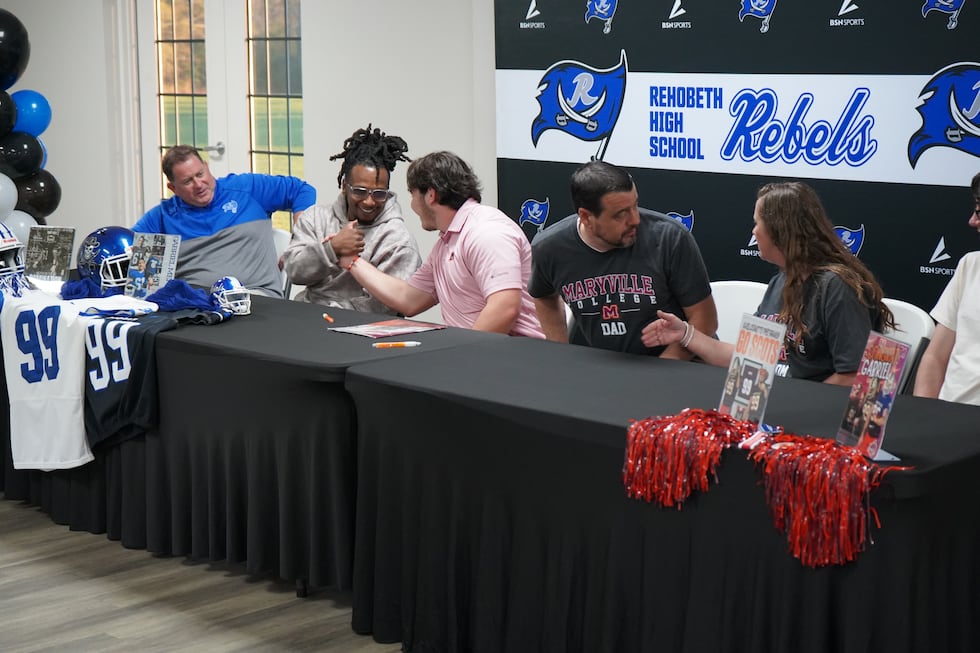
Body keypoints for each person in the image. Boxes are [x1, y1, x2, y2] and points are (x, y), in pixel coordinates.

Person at [642, 181, 894, 386]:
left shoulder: (836, 287)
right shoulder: (781, 282)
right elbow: (749, 358)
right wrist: (685, 334)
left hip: (819, 423)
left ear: (779, 230)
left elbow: (854, 377)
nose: (753, 232)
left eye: (757, 222)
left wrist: (795, 406)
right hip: (779, 409)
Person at [340, 151, 543, 337]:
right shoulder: (447, 242)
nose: (412, 205)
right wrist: (352, 261)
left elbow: (504, 308)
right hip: (478, 355)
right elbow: (410, 299)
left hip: (512, 362)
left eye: (412, 195)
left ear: (430, 195)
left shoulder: (486, 232)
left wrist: (459, 357)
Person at [528, 160, 716, 358]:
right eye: (620, 215)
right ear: (586, 217)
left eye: (635, 205)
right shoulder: (549, 248)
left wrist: (661, 373)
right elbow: (543, 296)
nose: (635, 219)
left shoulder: (670, 238)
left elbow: (706, 321)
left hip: (680, 365)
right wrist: (560, 351)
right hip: (609, 370)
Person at [132, 145, 315, 297]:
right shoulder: (163, 216)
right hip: (194, 305)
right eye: (188, 181)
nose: (198, 184)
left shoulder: (247, 189)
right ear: (173, 188)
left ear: (206, 166)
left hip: (255, 298)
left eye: (200, 174)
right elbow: (125, 245)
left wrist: (299, 239)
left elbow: (301, 190)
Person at [281, 125, 421, 313]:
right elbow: (294, 272)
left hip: (363, 329)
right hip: (309, 318)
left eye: (379, 194)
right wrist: (332, 249)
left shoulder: (398, 239)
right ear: (345, 186)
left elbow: (384, 308)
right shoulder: (316, 218)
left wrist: (328, 313)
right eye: (360, 191)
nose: (369, 201)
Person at [914, 172, 980, 405]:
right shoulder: (970, 265)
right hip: (946, 420)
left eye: (979, 212)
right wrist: (924, 416)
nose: (972, 221)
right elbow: (934, 358)